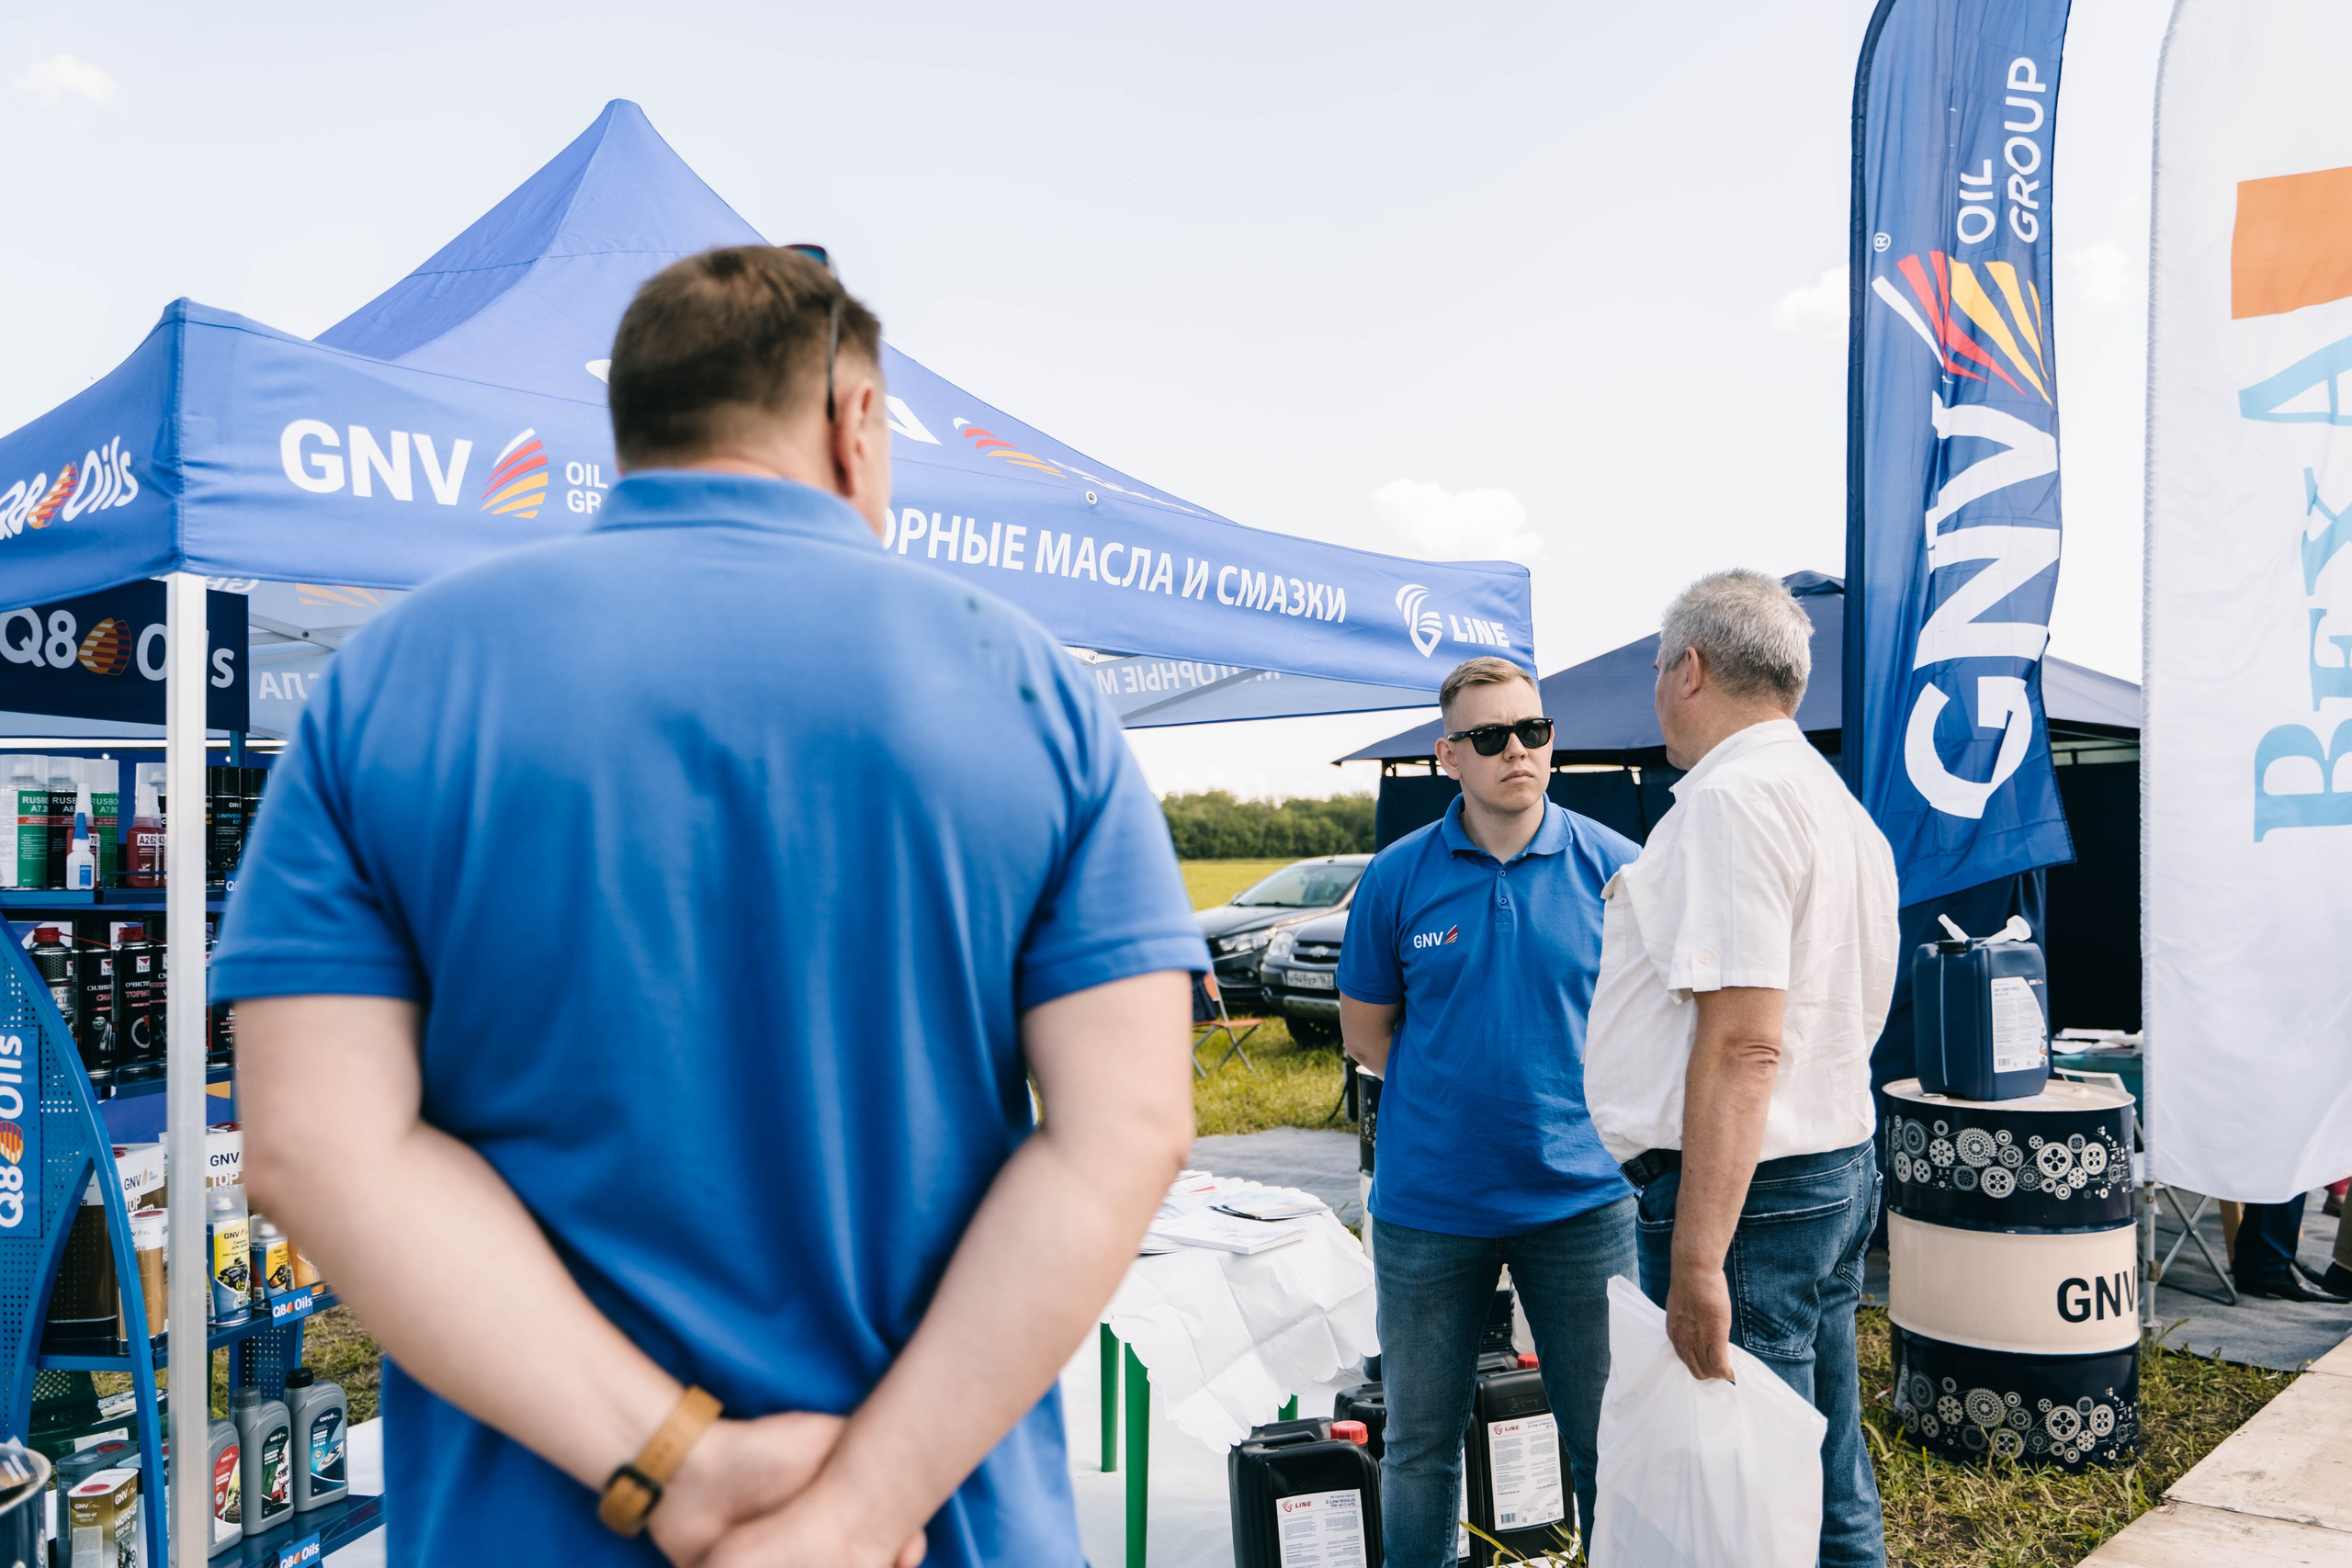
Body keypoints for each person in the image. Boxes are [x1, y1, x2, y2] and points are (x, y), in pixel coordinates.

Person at [219, 246, 1206, 1568]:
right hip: (942, 1531)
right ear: (856, 422)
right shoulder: (1035, 689)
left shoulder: (389, 679)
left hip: (525, 1527)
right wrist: (857, 1513)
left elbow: (316, 1147)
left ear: (634, 432)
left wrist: (672, 1457)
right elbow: (1125, 1131)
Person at [1584, 570, 1898, 1568]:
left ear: (1690, 668)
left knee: (1745, 1496)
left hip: (1748, 1195)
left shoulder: (1734, 800)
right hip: (1821, 1165)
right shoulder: (1831, 802)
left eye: (1655, 672)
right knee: (1817, 1462)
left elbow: (1744, 1040)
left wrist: (1696, 1258)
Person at [1338, 655, 1639, 1565]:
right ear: (1447, 757)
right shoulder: (1395, 880)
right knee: (1421, 1450)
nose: (1517, 750)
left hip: (1583, 1205)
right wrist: (1458, 1102)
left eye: (1533, 731)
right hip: (1430, 1209)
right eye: (1489, 737)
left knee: (1608, 1449)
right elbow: (1366, 1035)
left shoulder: (1616, 870)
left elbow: (1654, 1032)